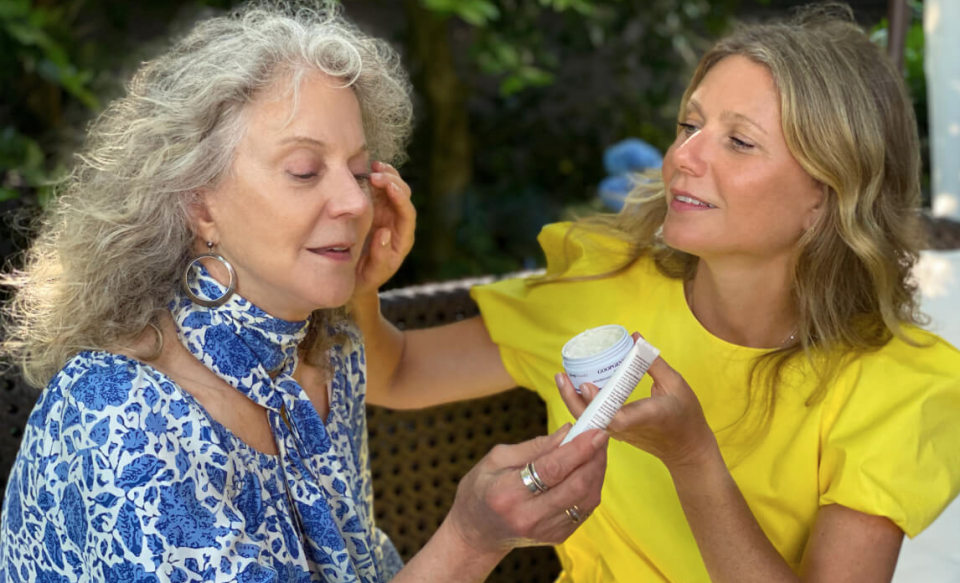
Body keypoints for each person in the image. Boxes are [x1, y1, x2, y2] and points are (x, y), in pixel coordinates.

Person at [0, 3, 609, 582]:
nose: (352, 202)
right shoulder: (123, 416)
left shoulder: (326, 349)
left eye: (359, 169)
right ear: (198, 202)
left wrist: (360, 288)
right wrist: (472, 539)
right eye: (304, 171)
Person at [353, 5, 960, 582]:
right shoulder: (603, 285)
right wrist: (362, 281)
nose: (683, 157)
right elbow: (396, 372)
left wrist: (693, 459)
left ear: (827, 197)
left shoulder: (894, 389)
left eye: (739, 141)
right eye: (690, 125)